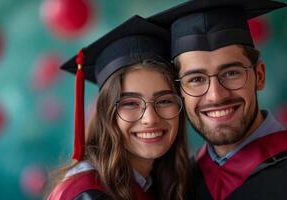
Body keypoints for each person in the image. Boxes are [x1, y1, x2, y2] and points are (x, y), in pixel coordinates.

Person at [148, 0, 287, 199]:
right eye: (196, 79)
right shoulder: (178, 184)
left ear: (260, 76)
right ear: (179, 91)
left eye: (231, 73)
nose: (216, 95)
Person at [46, 15, 190, 200]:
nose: (150, 118)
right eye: (130, 103)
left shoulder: (156, 182)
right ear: (107, 113)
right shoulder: (89, 193)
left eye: (164, 101)